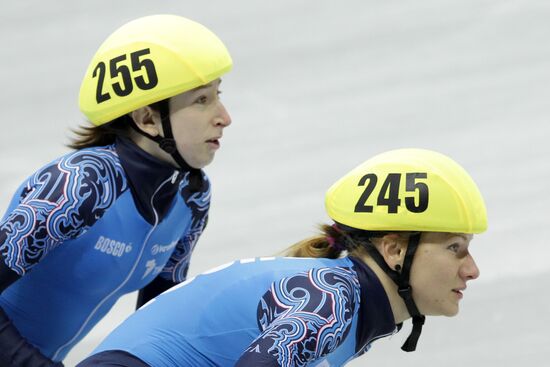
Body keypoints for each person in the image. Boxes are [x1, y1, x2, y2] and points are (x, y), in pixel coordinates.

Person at [77, 148, 488, 367]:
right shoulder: (333, 299)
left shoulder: (344, 297)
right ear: (395, 250)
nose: (471, 269)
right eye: (455, 248)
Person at [0, 14, 233, 367]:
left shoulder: (192, 195)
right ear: (147, 119)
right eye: (201, 100)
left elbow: (158, 321)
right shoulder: (81, 186)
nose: (224, 116)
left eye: (218, 94)